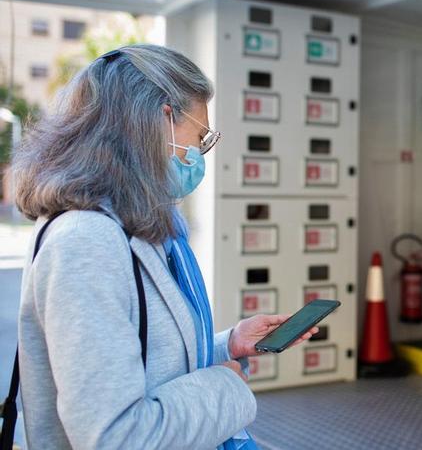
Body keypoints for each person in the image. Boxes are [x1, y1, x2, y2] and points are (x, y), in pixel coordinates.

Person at [10, 44, 317, 449]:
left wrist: (228, 343)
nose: (199, 154)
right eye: (200, 137)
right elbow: (116, 437)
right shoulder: (85, 243)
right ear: (160, 119)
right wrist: (224, 383)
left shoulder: (131, 226)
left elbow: (137, 358)